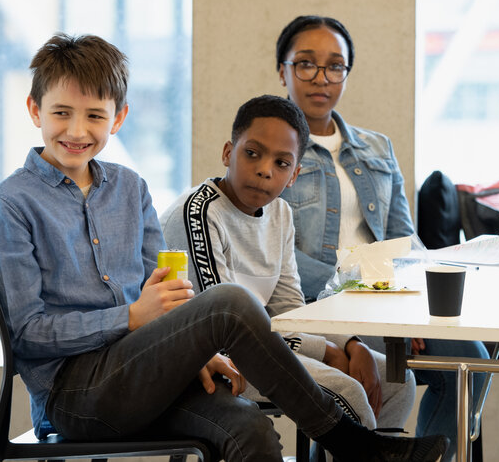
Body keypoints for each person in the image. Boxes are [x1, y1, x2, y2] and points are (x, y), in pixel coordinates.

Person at [0, 33, 447, 462]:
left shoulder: (130, 190)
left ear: (118, 118)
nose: (77, 131)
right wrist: (131, 317)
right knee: (230, 302)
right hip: (75, 397)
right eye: (61, 113)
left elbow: (171, 296)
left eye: (94, 115)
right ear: (35, 111)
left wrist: (190, 349)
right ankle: (352, 443)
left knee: (250, 432)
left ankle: (354, 443)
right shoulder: (12, 205)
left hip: (148, 375)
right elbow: (28, 335)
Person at [275, 15, 490, 461]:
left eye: (336, 66)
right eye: (306, 64)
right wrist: (374, 288)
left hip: (387, 297)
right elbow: (280, 258)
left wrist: (403, 301)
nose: (322, 78)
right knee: (361, 378)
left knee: (471, 361)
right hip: (320, 306)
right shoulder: (272, 152)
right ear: (283, 71)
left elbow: (404, 239)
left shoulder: (376, 148)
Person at [161, 94, 417, 443]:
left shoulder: (280, 214)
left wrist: (351, 344)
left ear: (294, 175)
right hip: (211, 360)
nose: (265, 169)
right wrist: (326, 351)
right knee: (347, 391)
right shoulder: (200, 212)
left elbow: (291, 308)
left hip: (260, 348)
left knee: (397, 381)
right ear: (227, 153)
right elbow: (222, 330)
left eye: (282, 163)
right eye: (252, 153)